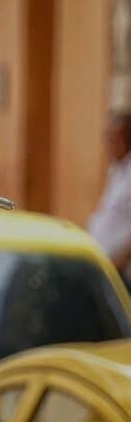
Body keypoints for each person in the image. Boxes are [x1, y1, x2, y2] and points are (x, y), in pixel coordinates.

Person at [88, 112, 131, 290]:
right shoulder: (116, 169)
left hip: (114, 266)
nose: (108, 145)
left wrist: (117, 262)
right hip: (99, 257)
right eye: (107, 138)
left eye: (114, 139)